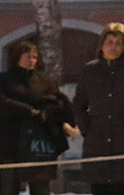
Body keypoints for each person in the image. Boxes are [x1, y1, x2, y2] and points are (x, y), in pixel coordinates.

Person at [72, 23, 124, 195]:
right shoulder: (90, 70)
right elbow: (79, 104)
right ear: (102, 45)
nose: (113, 47)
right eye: (109, 42)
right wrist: (86, 129)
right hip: (96, 143)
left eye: (118, 43)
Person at [0, 41, 74, 195]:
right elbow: (3, 103)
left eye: (34, 57)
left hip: (39, 143)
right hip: (10, 141)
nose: (32, 60)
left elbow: (58, 100)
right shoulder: (5, 79)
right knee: (8, 187)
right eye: (27, 56)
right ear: (17, 57)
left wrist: (53, 113)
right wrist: (31, 111)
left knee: (40, 188)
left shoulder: (44, 79)